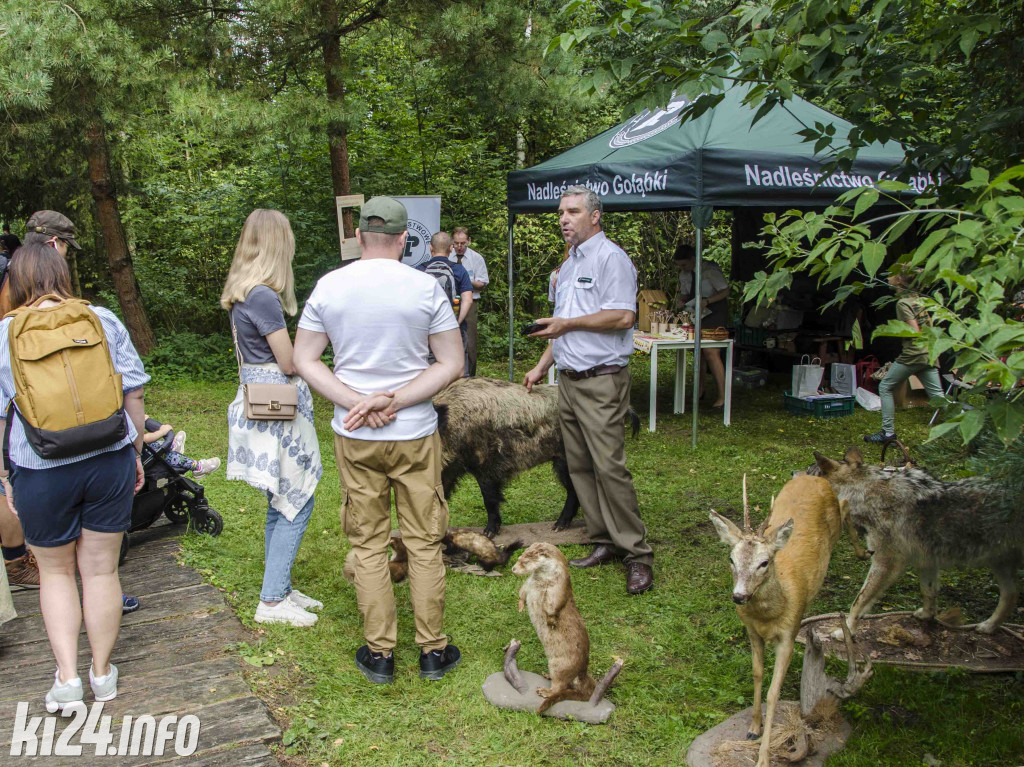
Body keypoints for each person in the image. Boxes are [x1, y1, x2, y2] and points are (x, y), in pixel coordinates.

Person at [293, 196, 465, 685]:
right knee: (425, 541)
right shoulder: (425, 286)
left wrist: (354, 402)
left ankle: (380, 654)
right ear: (402, 239)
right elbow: (451, 363)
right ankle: (432, 650)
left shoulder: (330, 285)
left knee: (368, 544)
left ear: (360, 236)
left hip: (356, 436)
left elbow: (305, 360)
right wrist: (398, 399)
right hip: (413, 433)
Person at [0, 243, 148, 711]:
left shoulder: (3, 334)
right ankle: (102, 674)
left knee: (56, 574)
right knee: (101, 569)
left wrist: (6, 476)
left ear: (16, 282)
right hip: (108, 459)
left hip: (40, 468)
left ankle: (67, 679)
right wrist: (137, 449)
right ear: (63, 274)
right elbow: (133, 390)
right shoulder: (101, 319)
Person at [523, 185, 654, 595]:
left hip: (602, 380)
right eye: (561, 212)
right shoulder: (568, 264)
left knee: (609, 466)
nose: (563, 219)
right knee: (579, 465)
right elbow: (562, 322)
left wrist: (568, 326)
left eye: (573, 212)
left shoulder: (611, 258)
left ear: (595, 216)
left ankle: (637, 554)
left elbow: (622, 315)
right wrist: (543, 364)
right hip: (569, 381)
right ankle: (602, 541)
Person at [221, 209, 323, 628]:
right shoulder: (263, 295)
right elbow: (288, 360)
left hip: (261, 404)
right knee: (296, 501)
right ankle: (272, 600)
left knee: (279, 499)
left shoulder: (243, 291)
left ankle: (278, 584)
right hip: (278, 408)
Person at [864, 269, 945, 444]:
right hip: (928, 351)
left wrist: (895, 332)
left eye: (894, 274)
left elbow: (914, 331)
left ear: (900, 281)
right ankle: (965, 423)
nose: (890, 276)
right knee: (938, 396)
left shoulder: (903, 303)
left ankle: (887, 433)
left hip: (914, 353)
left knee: (885, 386)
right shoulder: (921, 300)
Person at [673, 243, 730, 408]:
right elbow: (685, 294)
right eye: (679, 265)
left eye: (684, 264)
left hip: (714, 311)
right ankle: (700, 389)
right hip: (696, 312)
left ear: (693, 259)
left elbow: (726, 291)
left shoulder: (710, 270)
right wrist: (681, 301)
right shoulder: (684, 274)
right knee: (698, 351)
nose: (682, 268)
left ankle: (723, 396)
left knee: (711, 351)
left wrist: (707, 301)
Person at [419, 231, 473, 377]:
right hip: (455, 329)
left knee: (428, 371)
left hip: (427, 329)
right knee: (458, 368)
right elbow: (468, 299)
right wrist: (456, 322)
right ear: (451, 248)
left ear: (431, 248)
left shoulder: (420, 270)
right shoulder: (459, 269)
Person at [449, 227, 489, 376]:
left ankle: (470, 376)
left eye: (463, 243)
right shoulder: (448, 256)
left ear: (469, 241)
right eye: (457, 243)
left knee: (470, 342)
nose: (459, 247)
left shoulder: (476, 258)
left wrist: (465, 281)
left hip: (471, 302)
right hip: (451, 302)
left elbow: (483, 283)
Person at [143, 417, 221, 477]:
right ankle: (198, 467)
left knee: (155, 444)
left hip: (138, 451)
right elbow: (142, 439)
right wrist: (162, 432)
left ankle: (172, 447)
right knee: (166, 455)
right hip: (140, 458)